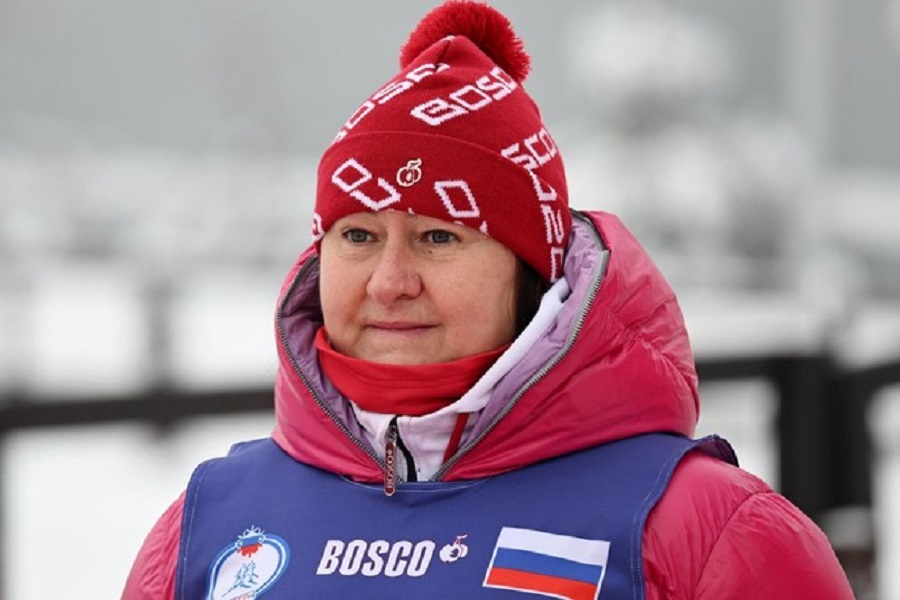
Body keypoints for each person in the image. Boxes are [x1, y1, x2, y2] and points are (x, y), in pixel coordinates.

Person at [123, 1, 854, 598]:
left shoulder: (706, 534)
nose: (389, 281)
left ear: (531, 272)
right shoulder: (209, 527)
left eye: (439, 237)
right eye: (358, 236)